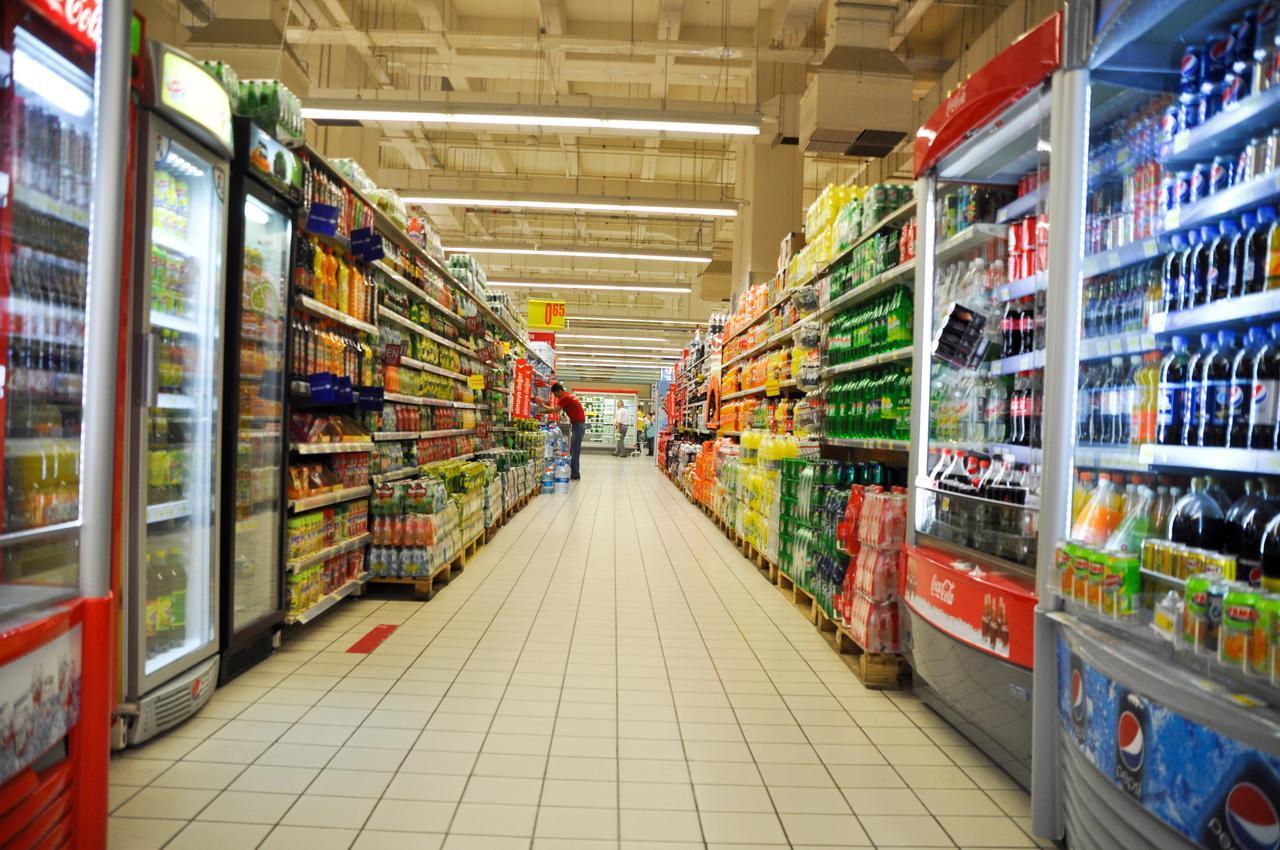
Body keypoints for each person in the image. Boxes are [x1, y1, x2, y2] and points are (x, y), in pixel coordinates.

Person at [550, 383, 586, 480]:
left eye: (555, 394)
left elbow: (553, 410)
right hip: (578, 424)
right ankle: (573, 472)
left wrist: (542, 406)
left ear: (559, 391)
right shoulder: (568, 395)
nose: (555, 397)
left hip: (578, 425)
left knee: (575, 450)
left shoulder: (565, 398)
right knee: (574, 449)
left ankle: (575, 474)